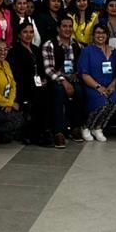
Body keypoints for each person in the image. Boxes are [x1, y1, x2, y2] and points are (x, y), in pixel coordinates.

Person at [42, 16, 84, 147]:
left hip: (73, 78)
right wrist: (63, 81)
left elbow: (81, 66)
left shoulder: (77, 45)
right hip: (56, 79)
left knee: (80, 91)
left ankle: (75, 127)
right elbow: (49, 69)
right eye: (64, 26)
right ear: (58, 28)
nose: (67, 29)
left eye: (70, 26)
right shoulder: (50, 44)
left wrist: (76, 74)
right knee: (59, 91)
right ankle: (58, 132)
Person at [78, 25, 116, 141]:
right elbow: (84, 74)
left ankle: (98, 127)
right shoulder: (87, 51)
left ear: (107, 35)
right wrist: (98, 87)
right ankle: (86, 126)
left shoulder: (113, 51)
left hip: (109, 86)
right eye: (97, 32)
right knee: (102, 102)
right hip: (92, 87)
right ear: (93, 35)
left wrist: (113, 84)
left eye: (103, 33)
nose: (100, 35)